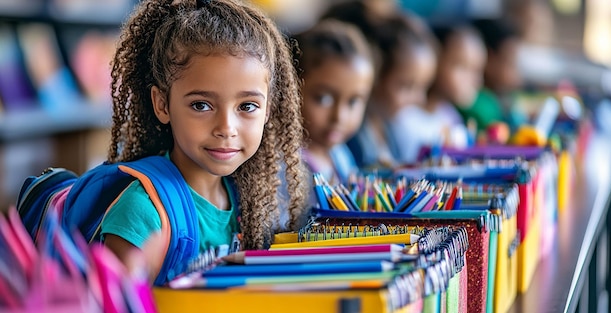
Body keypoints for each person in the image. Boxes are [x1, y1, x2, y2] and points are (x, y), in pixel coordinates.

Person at [101, 0, 310, 282]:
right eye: (201, 105)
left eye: (247, 106)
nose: (226, 128)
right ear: (162, 105)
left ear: (268, 109)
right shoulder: (142, 214)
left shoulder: (249, 200)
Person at [322, 3, 439, 168]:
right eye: (406, 86)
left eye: (423, 87)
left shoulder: (387, 127)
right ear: (377, 75)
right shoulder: (348, 135)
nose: (419, 98)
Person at [293, 19, 375, 184]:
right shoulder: (286, 166)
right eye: (324, 99)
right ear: (291, 89)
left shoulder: (340, 154)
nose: (339, 117)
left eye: (353, 102)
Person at [424, 24, 486, 149]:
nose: (476, 81)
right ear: (435, 59)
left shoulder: (451, 117)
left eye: (478, 70)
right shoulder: (405, 119)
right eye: (463, 67)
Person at [460, 18, 524, 135]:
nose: (517, 75)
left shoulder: (500, 98)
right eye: (511, 63)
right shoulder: (474, 105)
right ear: (489, 58)